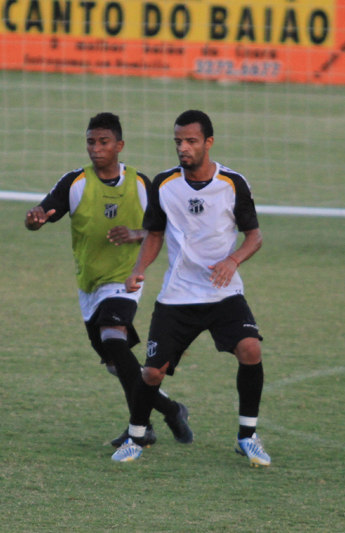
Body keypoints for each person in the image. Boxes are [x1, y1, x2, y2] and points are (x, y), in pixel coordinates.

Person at [112, 110, 269, 467]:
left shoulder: (233, 183)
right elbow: (154, 233)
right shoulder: (165, 184)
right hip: (178, 294)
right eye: (178, 141)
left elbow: (255, 237)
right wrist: (139, 270)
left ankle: (247, 437)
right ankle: (136, 436)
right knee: (152, 371)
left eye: (191, 141)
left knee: (251, 350)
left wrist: (233, 261)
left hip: (222, 293)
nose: (183, 147)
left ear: (208, 143)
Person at [25, 112, 192, 447]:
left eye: (103, 142)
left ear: (119, 145)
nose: (96, 149)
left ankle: (139, 428)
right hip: (89, 284)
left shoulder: (141, 184)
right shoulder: (75, 182)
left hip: (126, 279)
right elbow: (41, 216)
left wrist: (135, 233)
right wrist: (35, 220)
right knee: (117, 364)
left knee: (114, 338)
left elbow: (166, 229)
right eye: (91, 142)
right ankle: (170, 409)